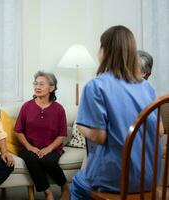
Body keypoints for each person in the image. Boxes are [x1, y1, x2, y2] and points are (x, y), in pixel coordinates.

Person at [70, 25, 163, 199]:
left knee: (77, 184)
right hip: (149, 177)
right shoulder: (147, 87)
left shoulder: (96, 86)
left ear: (104, 51)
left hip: (114, 179)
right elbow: (159, 131)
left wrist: (82, 127)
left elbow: (99, 137)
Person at [14, 71, 69, 200]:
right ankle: (47, 192)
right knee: (32, 158)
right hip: (30, 148)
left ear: (51, 88)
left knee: (47, 160)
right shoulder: (26, 107)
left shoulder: (59, 109)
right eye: (35, 84)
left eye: (41, 84)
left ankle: (65, 187)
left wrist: (48, 149)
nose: (37, 87)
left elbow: (62, 134)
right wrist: (29, 147)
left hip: (51, 148)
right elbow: (18, 130)